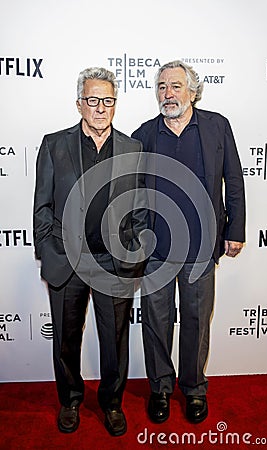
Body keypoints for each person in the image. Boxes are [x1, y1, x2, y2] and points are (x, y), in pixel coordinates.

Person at [33, 67, 147, 436]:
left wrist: (135, 254)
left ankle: (112, 403)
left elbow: (142, 209)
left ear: (116, 104)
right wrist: (49, 251)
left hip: (112, 263)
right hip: (67, 262)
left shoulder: (133, 148)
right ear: (79, 103)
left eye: (108, 101)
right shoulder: (54, 144)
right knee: (66, 339)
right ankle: (70, 399)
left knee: (115, 340)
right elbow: (43, 208)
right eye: (93, 100)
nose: (100, 108)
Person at [132, 60, 245, 424]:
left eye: (176, 86)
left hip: (201, 247)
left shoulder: (216, 127)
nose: (168, 93)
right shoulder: (144, 135)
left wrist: (236, 229)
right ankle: (161, 388)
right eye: (162, 86)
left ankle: (194, 389)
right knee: (156, 322)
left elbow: (234, 180)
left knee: (197, 321)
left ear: (193, 91)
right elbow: (130, 193)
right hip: (157, 251)